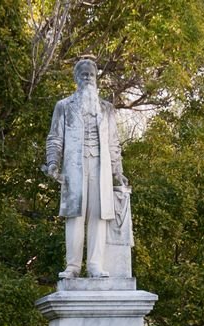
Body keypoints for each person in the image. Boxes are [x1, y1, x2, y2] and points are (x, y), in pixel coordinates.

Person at [44, 58, 127, 279]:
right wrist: (53, 162)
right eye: (84, 75)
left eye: (91, 75)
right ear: (76, 78)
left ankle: (94, 265)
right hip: (74, 167)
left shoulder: (107, 109)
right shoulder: (64, 106)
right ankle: (72, 266)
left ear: (96, 78)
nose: (88, 78)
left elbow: (113, 143)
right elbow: (54, 138)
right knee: (75, 216)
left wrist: (118, 171)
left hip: (101, 168)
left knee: (99, 216)